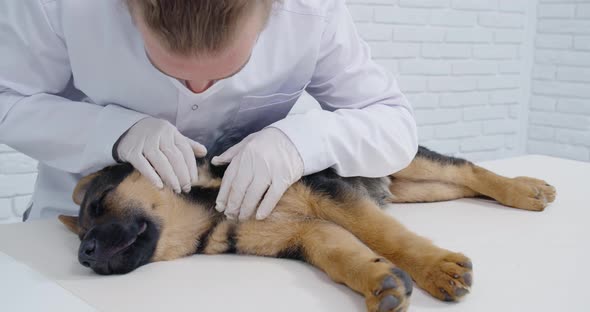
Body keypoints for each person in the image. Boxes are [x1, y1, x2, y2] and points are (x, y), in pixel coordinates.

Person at [0, 0, 418, 222]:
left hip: (240, 245)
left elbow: (394, 123)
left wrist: (300, 142)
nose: (198, 90)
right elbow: (7, 99)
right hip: (77, 230)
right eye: (171, 70)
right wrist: (114, 131)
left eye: (226, 71)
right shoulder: (56, 5)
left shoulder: (311, 12)